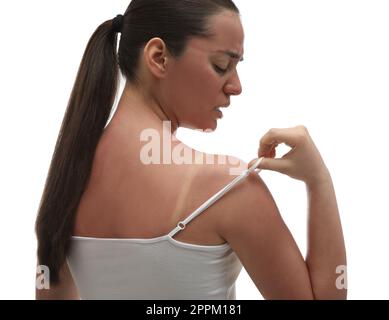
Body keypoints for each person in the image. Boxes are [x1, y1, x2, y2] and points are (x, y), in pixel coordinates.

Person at [35, 0, 347, 300]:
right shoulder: (228, 188)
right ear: (158, 57)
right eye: (221, 65)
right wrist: (319, 181)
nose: (236, 86)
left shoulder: (68, 180)